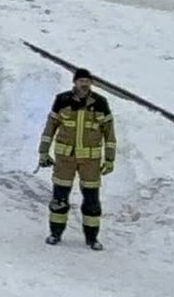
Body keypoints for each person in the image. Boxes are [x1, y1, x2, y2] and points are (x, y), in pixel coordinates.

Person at [39, 68, 117, 249]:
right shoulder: (62, 100)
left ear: (91, 83)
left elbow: (109, 134)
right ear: (75, 82)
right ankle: (55, 234)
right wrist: (43, 152)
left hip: (90, 162)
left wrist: (109, 159)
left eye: (87, 81)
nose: (84, 84)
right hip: (65, 159)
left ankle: (92, 238)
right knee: (59, 198)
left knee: (92, 201)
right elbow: (50, 128)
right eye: (81, 81)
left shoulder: (100, 103)